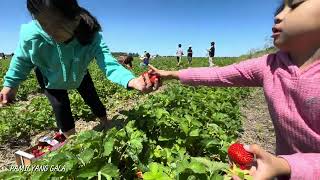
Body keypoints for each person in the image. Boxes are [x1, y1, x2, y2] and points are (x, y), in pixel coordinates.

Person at [149, 0, 320, 179]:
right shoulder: (269, 65)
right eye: (279, 8)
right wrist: (171, 74)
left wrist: (286, 165)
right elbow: (219, 75)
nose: (277, 16)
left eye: (294, 5)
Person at [0, 0, 157, 138]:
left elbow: (109, 62)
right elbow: (22, 59)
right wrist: (10, 85)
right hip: (50, 76)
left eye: (56, 25)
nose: (50, 32)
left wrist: (131, 81)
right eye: (43, 24)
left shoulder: (92, 35)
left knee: (93, 99)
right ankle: (72, 143)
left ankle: (105, 121)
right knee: (61, 109)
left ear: (75, 18)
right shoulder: (31, 34)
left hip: (79, 72)